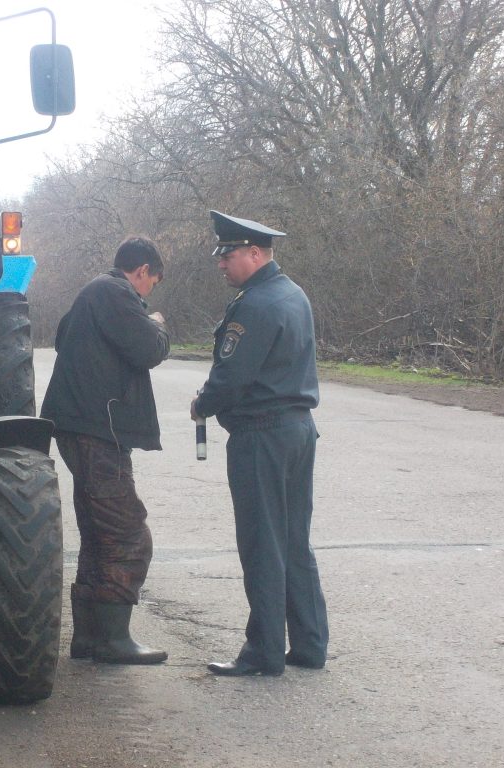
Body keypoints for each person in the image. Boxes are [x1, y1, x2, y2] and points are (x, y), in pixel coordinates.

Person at [191, 210, 329, 676]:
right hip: (298, 429)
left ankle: (264, 652)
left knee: (262, 544)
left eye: (228, 254)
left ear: (255, 252)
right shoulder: (293, 294)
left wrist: (202, 404)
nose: (221, 263)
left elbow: (231, 377)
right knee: (294, 542)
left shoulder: (255, 304)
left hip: (261, 435)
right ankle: (309, 645)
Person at [41, 236, 170, 665]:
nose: (148, 290)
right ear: (141, 271)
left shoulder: (92, 294)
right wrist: (156, 324)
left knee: (98, 532)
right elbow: (148, 349)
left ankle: (90, 639)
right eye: (152, 281)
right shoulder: (115, 291)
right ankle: (113, 639)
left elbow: (62, 338)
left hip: (82, 426)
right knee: (126, 531)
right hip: (98, 431)